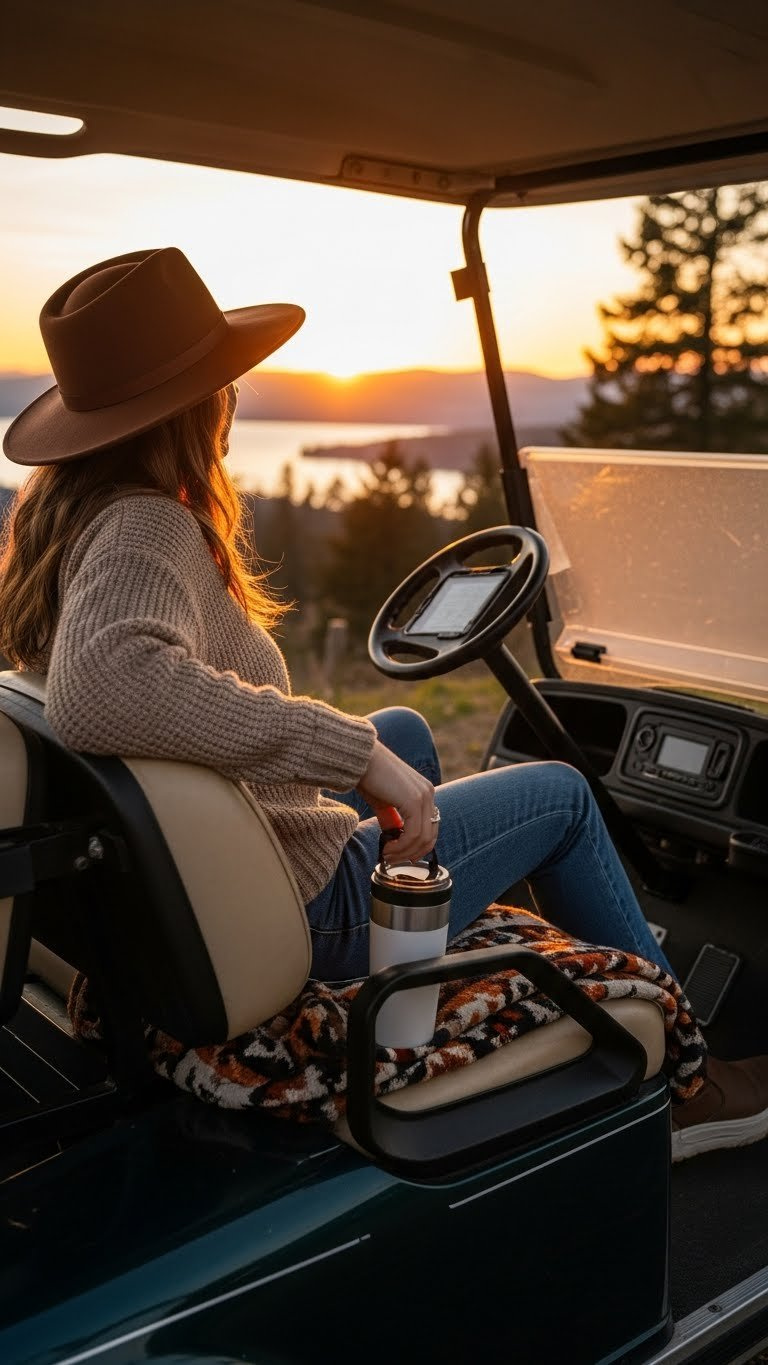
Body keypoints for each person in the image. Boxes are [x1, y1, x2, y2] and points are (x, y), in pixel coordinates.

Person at [1, 246, 767, 1162]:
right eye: (225, 382)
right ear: (197, 404)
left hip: (217, 881)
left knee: (399, 727)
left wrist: (368, 747)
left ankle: (462, 940)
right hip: (311, 915)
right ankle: (690, 1079)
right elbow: (110, 687)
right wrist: (353, 755)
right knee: (560, 794)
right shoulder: (147, 522)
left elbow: (115, 689)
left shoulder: (75, 518)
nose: (236, 398)